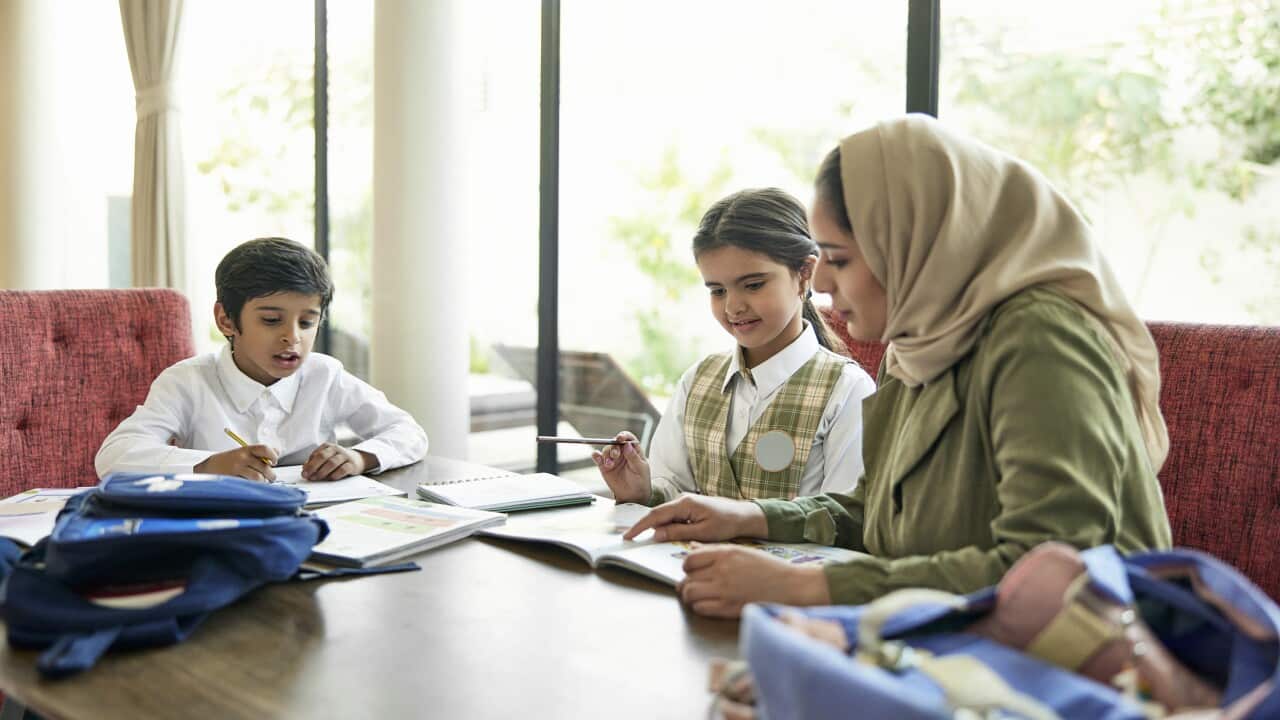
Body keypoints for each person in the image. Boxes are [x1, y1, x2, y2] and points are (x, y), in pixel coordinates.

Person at [625, 115, 1173, 618]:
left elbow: (1051, 571)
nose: (824, 285)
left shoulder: (1040, 340)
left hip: (1078, 664)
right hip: (948, 640)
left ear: (913, 240)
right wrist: (750, 517)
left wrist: (805, 587)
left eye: (839, 259)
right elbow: (874, 512)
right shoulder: (914, 348)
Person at [593, 188, 876, 506]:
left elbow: (844, 518)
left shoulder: (848, 391)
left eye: (753, 285)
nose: (733, 307)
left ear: (804, 274)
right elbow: (671, 483)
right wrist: (642, 491)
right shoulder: (697, 379)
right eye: (717, 290)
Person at [96, 237, 428, 482]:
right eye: (271, 320)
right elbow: (114, 455)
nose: (292, 337)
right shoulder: (187, 381)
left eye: (307, 321)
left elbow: (408, 432)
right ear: (226, 320)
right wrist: (210, 464)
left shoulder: (325, 375)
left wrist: (359, 457)